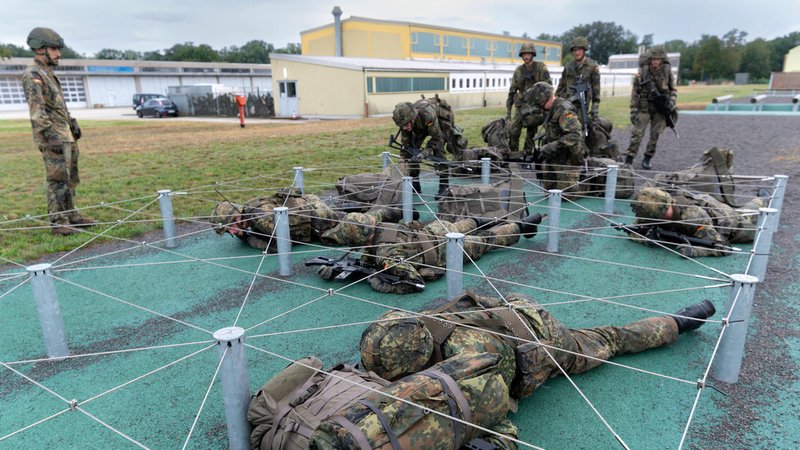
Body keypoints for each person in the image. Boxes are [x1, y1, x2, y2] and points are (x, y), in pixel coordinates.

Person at [359, 291, 716, 400]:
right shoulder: (416, 328)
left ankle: (678, 322)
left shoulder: (465, 362)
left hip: (547, 342)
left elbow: (496, 405)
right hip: (511, 307)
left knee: (611, 339)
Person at [318, 213, 544, 294]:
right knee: (462, 224)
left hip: (444, 251)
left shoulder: (386, 253)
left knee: (485, 241)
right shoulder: (384, 227)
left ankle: (522, 227)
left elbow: (413, 283)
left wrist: (374, 281)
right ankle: (489, 219)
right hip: (433, 230)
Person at [22, 27, 96, 235]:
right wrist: (49, 137)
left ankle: (72, 215)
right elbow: (38, 111)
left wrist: (71, 122)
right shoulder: (33, 75)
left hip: (65, 134)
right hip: (53, 137)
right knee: (57, 180)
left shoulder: (48, 73)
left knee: (71, 178)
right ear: (39, 49)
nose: (58, 54)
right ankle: (58, 221)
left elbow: (56, 105)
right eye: (54, 49)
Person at [209, 189, 404, 251]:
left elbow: (280, 245)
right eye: (229, 231)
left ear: (237, 215)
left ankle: (386, 213)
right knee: (342, 217)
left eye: (232, 226)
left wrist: (252, 240)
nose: (233, 232)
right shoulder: (249, 212)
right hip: (308, 208)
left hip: (316, 219)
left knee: (352, 230)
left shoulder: (259, 218)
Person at [626, 187, 765, 257]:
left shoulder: (691, 215)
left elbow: (722, 247)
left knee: (754, 223)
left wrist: (694, 251)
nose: (666, 212)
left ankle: (763, 199)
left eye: (666, 209)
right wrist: (647, 239)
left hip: (730, 223)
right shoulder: (649, 212)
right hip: (707, 210)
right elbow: (634, 230)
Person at [392, 97, 465, 198]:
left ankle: (444, 186)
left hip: (438, 122)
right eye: (402, 126)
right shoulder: (405, 122)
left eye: (406, 125)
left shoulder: (427, 115)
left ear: (412, 118)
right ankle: (415, 185)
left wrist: (425, 152)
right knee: (412, 152)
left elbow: (437, 138)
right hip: (419, 126)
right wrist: (403, 158)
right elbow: (406, 144)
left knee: (439, 150)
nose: (404, 128)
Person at [625, 47, 677, 170]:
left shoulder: (667, 71)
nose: (655, 62)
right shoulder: (643, 72)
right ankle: (629, 157)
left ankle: (648, 157)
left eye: (657, 59)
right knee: (637, 133)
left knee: (655, 134)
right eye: (653, 59)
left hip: (660, 108)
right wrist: (633, 109)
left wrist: (671, 103)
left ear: (661, 60)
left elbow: (673, 90)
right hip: (645, 106)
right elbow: (635, 92)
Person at [529, 81, 586, 194]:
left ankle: (587, 185)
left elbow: (575, 135)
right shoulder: (550, 110)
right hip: (555, 156)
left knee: (566, 194)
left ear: (545, 98)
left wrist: (551, 146)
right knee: (549, 191)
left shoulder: (564, 110)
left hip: (569, 157)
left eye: (539, 104)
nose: (539, 107)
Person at [506, 43, 552, 158]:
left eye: (528, 54)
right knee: (513, 132)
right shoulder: (518, 71)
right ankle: (513, 155)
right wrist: (508, 112)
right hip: (521, 107)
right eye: (524, 54)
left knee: (531, 134)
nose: (526, 56)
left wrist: (546, 107)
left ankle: (527, 155)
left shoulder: (541, 68)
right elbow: (512, 91)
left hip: (535, 108)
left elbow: (549, 88)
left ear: (533, 54)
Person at [555, 36, 601, 131]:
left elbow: (596, 92)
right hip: (567, 105)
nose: (576, 52)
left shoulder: (592, 67)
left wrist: (594, 110)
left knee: (580, 131)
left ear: (584, 50)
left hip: (582, 108)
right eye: (575, 50)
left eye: (579, 49)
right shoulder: (568, 66)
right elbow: (561, 87)